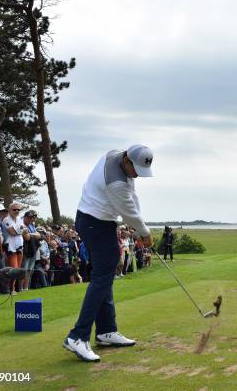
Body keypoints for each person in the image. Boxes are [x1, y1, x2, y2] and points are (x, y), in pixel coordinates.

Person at [63, 144, 154, 362]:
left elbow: (133, 199)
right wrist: (145, 233)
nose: (137, 175)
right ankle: (77, 336)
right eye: (136, 170)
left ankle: (106, 331)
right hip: (94, 222)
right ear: (127, 161)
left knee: (104, 275)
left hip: (97, 221)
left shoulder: (116, 156)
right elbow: (128, 212)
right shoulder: (116, 182)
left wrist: (142, 227)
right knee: (102, 277)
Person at [3, 203, 25, 295]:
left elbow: (25, 231)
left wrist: (19, 230)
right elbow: (12, 232)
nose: (16, 211)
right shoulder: (6, 220)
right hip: (10, 247)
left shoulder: (20, 219)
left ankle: (13, 289)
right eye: (14, 209)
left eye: (18, 210)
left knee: (18, 269)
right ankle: (10, 289)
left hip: (19, 246)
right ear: (9, 210)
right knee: (14, 269)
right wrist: (20, 230)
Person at [22, 210, 41, 291]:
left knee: (30, 270)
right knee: (24, 270)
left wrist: (31, 234)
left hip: (33, 250)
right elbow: (26, 237)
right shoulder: (22, 224)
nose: (31, 219)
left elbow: (39, 235)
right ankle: (20, 288)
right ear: (25, 217)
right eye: (29, 217)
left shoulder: (32, 225)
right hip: (25, 250)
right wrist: (33, 235)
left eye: (33, 218)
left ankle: (26, 288)